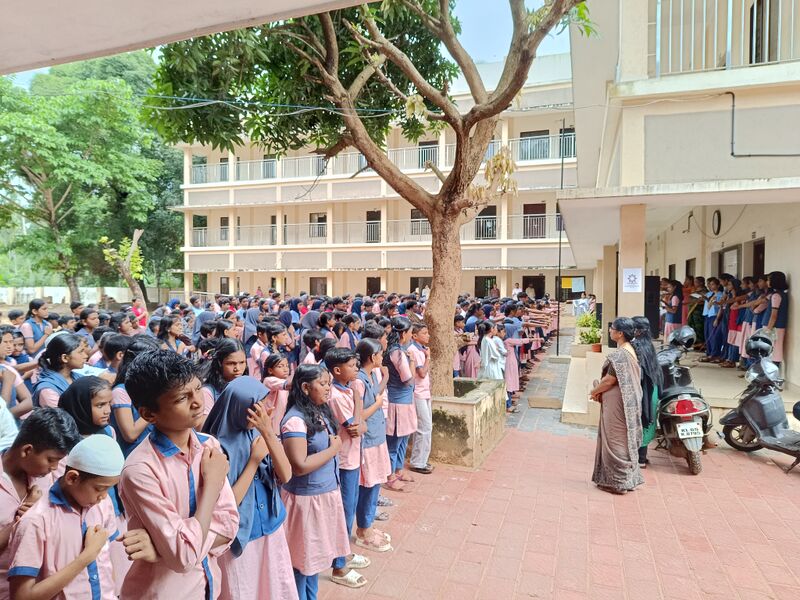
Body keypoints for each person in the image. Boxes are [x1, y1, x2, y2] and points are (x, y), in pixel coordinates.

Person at [118, 350, 239, 600]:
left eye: (198, 389)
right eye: (182, 397)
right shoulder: (141, 470)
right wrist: (211, 486)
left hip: (206, 586)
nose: (197, 402)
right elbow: (183, 558)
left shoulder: (209, 446)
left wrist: (163, 550)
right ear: (148, 414)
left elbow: (230, 526)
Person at [8, 434, 156, 600]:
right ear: (72, 478)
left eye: (109, 489)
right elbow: (22, 596)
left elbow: (105, 563)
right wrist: (87, 556)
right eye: (99, 488)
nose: (104, 496)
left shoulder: (103, 504)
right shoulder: (36, 521)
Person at [203, 377, 297, 600]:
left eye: (263, 405)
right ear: (238, 407)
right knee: (244, 591)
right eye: (256, 406)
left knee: (273, 589)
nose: (262, 412)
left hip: (270, 528)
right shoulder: (216, 448)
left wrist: (268, 432)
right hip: (240, 538)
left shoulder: (259, 434)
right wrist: (253, 461)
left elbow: (286, 475)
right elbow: (227, 503)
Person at [280, 364, 352, 600]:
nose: (329, 388)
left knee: (313, 563)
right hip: (307, 502)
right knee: (301, 563)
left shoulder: (319, 410)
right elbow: (299, 466)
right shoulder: (295, 421)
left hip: (324, 495)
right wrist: (333, 450)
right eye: (323, 384)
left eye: (329, 383)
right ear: (305, 387)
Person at [0, 409, 82, 599]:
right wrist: (21, 518)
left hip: (43, 589)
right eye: (51, 460)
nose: (55, 467)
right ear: (27, 450)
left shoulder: (44, 475)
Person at [325, 348, 375, 589]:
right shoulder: (337, 395)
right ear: (337, 370)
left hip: (353, 458)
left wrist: (361, 422)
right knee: (344, 511)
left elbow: (360, 425)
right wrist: (358, 400)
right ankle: (338, 565)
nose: (357, 368)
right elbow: (355, 427)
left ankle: (344, 553)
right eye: (352, 365)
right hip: (344, 461)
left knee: (349, 507)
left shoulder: (346, 388)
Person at [589, 317, 644, 495]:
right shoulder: (630, 350)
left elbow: (609, 380)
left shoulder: (620, 354)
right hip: (626, 402)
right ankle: (624, 479)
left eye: (612, 328)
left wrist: (594, 391)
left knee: (615, 439)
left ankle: (618, 482)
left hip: (618, 405)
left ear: (620, 333)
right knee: (622, 438)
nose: (609, 330)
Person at [382, 317, 417, 492]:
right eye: (410, 332)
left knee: (403, 439)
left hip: (404, 400)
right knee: (395, 442)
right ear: (403, 334)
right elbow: (408, 379)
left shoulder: (398, 351)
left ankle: (398, 469)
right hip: (398, 402)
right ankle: (390, 476)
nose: (411, 335)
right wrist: (412, 362)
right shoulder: (397, 353)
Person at [110, 337, 160, 457]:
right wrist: (156, 408)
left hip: (154, 451)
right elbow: (130, 434)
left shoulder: (149, 385)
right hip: (133, 455)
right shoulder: (121, 392)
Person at [631, 317, 663, 468]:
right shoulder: (649, 345)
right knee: (648, 419)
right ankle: (642, 456)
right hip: (653, 389)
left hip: (644, 390)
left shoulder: (636, 347)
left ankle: (640, 459)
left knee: (641, 420)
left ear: (637, 331)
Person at [32, 333, 86, 408]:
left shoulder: (80, 378)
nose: (85, 356)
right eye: (81, 352)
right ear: (65, 358)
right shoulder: (48, 390)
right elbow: (60, 414)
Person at [201, 338, 248, 423]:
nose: (237, 368)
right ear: (219, 363)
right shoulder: (207, 392)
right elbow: (204, 427)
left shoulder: (247, 387)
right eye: (231, 363)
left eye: (242, 362)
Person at [408, 324, 434, 475]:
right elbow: (422, 373)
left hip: (424, 392)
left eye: (427, 332)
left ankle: (422, 459)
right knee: (424, 427)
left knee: (427, 426)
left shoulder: (421, 349)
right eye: (424, 333)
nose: (428, 335)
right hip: (418, 393)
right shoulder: (414, 350)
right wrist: (428, 357)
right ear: (415, 336)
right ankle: (418, 462)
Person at [765, 270, 789, 366]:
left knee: (773, 351)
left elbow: (774, 315)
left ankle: (772, 372)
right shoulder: (781, 294)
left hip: (774, 327)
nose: (767, 282)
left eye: (768, 280)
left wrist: (768, 330)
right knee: (775, 350)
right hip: (777, 327)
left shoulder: (776, 296)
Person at [262, 353, 291, 431]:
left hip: (281, 419)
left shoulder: (284, 380)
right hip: (273, 421)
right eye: (280, 366)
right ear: (270, 370)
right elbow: (288, 385)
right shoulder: (268, 381)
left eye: (287, 366)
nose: (285, 369)